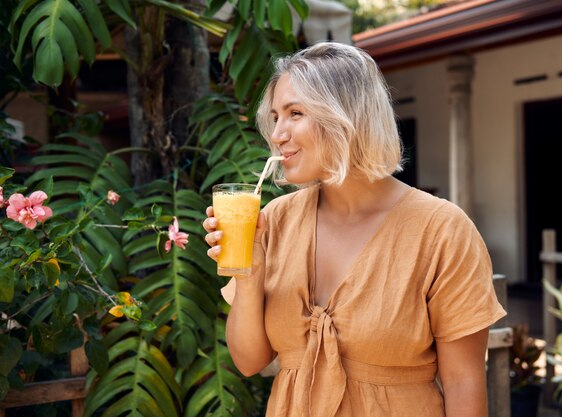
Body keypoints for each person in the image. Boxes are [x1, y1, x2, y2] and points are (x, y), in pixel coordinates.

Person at [203, 41, 506, 417]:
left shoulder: (441, 229)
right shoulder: (275, 220)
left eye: (295, 113)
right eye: (276, 116)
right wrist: (249, 276)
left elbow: (463, 383)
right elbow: (249, 362)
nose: (277, 134)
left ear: (347, 114)